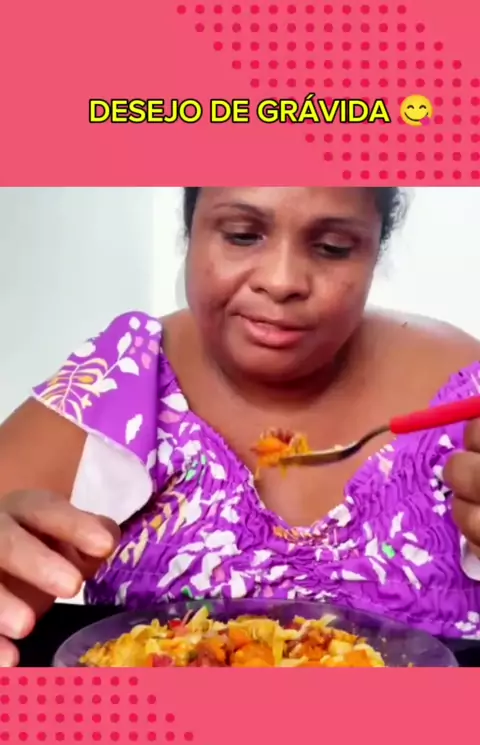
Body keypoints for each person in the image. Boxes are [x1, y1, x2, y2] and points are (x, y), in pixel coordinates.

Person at [1, 186, 480, 668]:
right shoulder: (126, 374)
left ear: (375, 250)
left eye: (332, 247)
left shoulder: (462, 394)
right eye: (242, 235)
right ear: (191, 229)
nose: (281, 281)